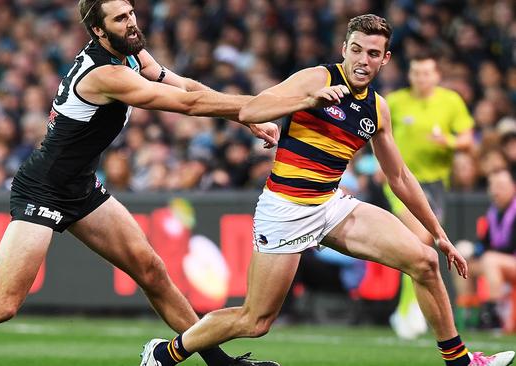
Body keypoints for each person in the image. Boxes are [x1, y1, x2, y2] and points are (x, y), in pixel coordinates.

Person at [0, 1, 281, 366]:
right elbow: (186, 105)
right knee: (1, 304)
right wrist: (260, 108)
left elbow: (186, 86)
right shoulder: (104, 74)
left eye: (132, 12)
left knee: (152, 270)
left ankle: (216, 363)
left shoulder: (131, 54)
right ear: (99, 31)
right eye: (121, 18)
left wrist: (245, 116)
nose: (132, 22)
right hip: (42, 189)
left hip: (81, 188)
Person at [142, 14, 515, 366]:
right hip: (285, 208)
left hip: (331, 205)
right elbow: (251, 111)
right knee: (254, 321)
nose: (363, 60)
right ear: (344, 48)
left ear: (385, 60)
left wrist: (439, 235)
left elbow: (399, 175)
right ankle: (164, 355)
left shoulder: (378, 109)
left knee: (426, 260)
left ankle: (462, 361)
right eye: (356, 49)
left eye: (372, 53)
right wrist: (306, 101)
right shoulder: (316, 79)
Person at [383, 52, 474, 339]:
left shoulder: (451, 101)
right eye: (416, 73)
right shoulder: (395, 101)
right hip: (400, 181)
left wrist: (445, 141)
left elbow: (468, 140)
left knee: (419, 246)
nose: (421, 78)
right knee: (421, 240)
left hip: (436, 185)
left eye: (426, 73)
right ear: (409, 76)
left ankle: (406, 309)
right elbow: (375, 133)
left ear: (436, 76)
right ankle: (409, 313)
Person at [454, 169, 516, 330]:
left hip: (508, 262)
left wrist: (487, 253)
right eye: (493, 186)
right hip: (500, 263)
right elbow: (484, 243)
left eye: (501, 186)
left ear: (513, 187)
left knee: (490, 259)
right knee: (461, 257)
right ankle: (469, 312)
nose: (496, 191)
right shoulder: (494, 212)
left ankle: (493, 315)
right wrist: (474, 251)